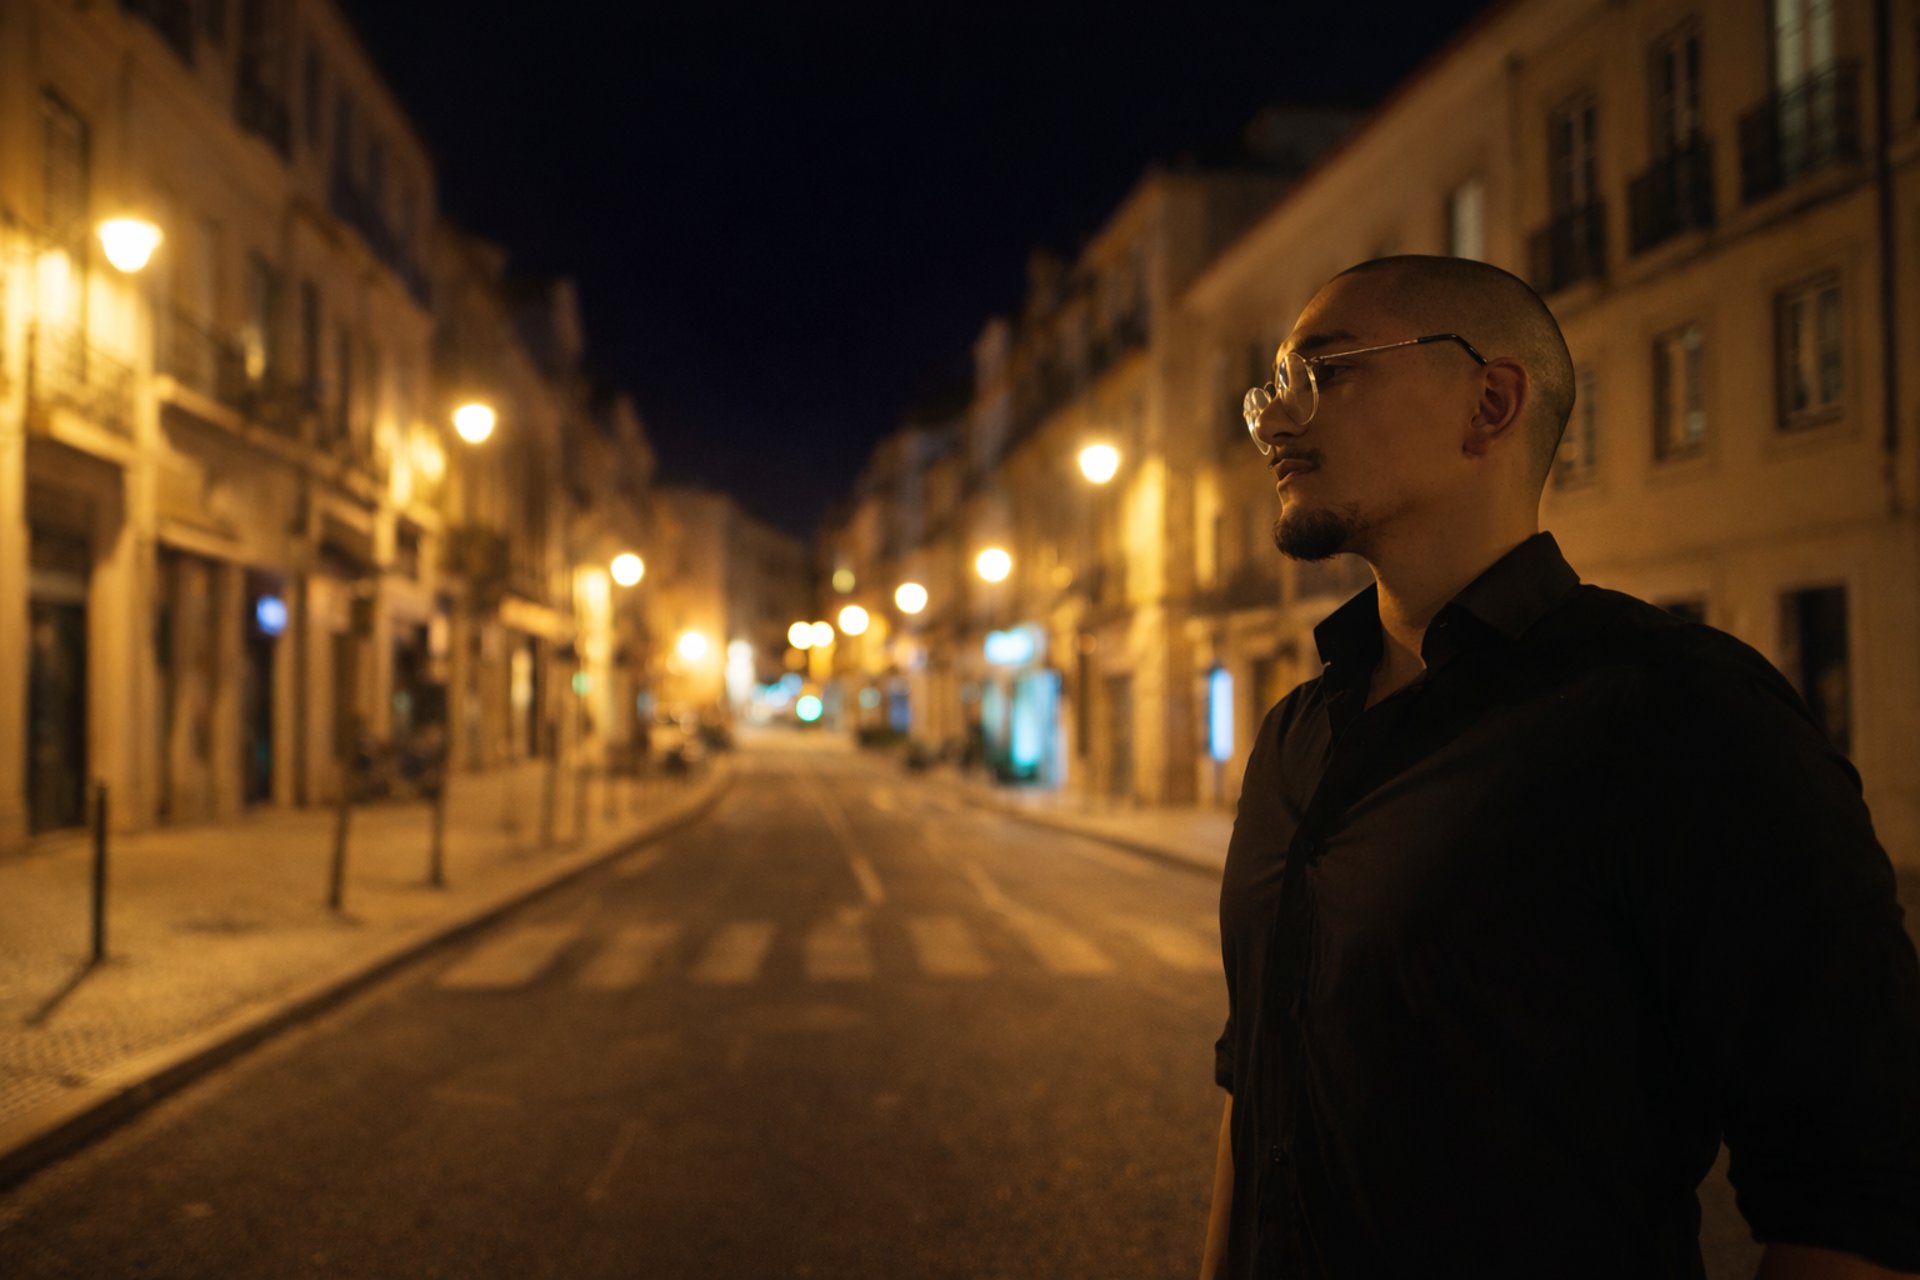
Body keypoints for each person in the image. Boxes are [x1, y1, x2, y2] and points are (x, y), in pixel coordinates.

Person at [1200, 256, 1920, 1279]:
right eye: (1272, 388)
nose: (1275, 422)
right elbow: (1256, 1083)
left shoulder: (1680, 712)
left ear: (1490, 404)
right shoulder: (1294, 735)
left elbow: (1857, 1179)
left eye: (1326, 372)